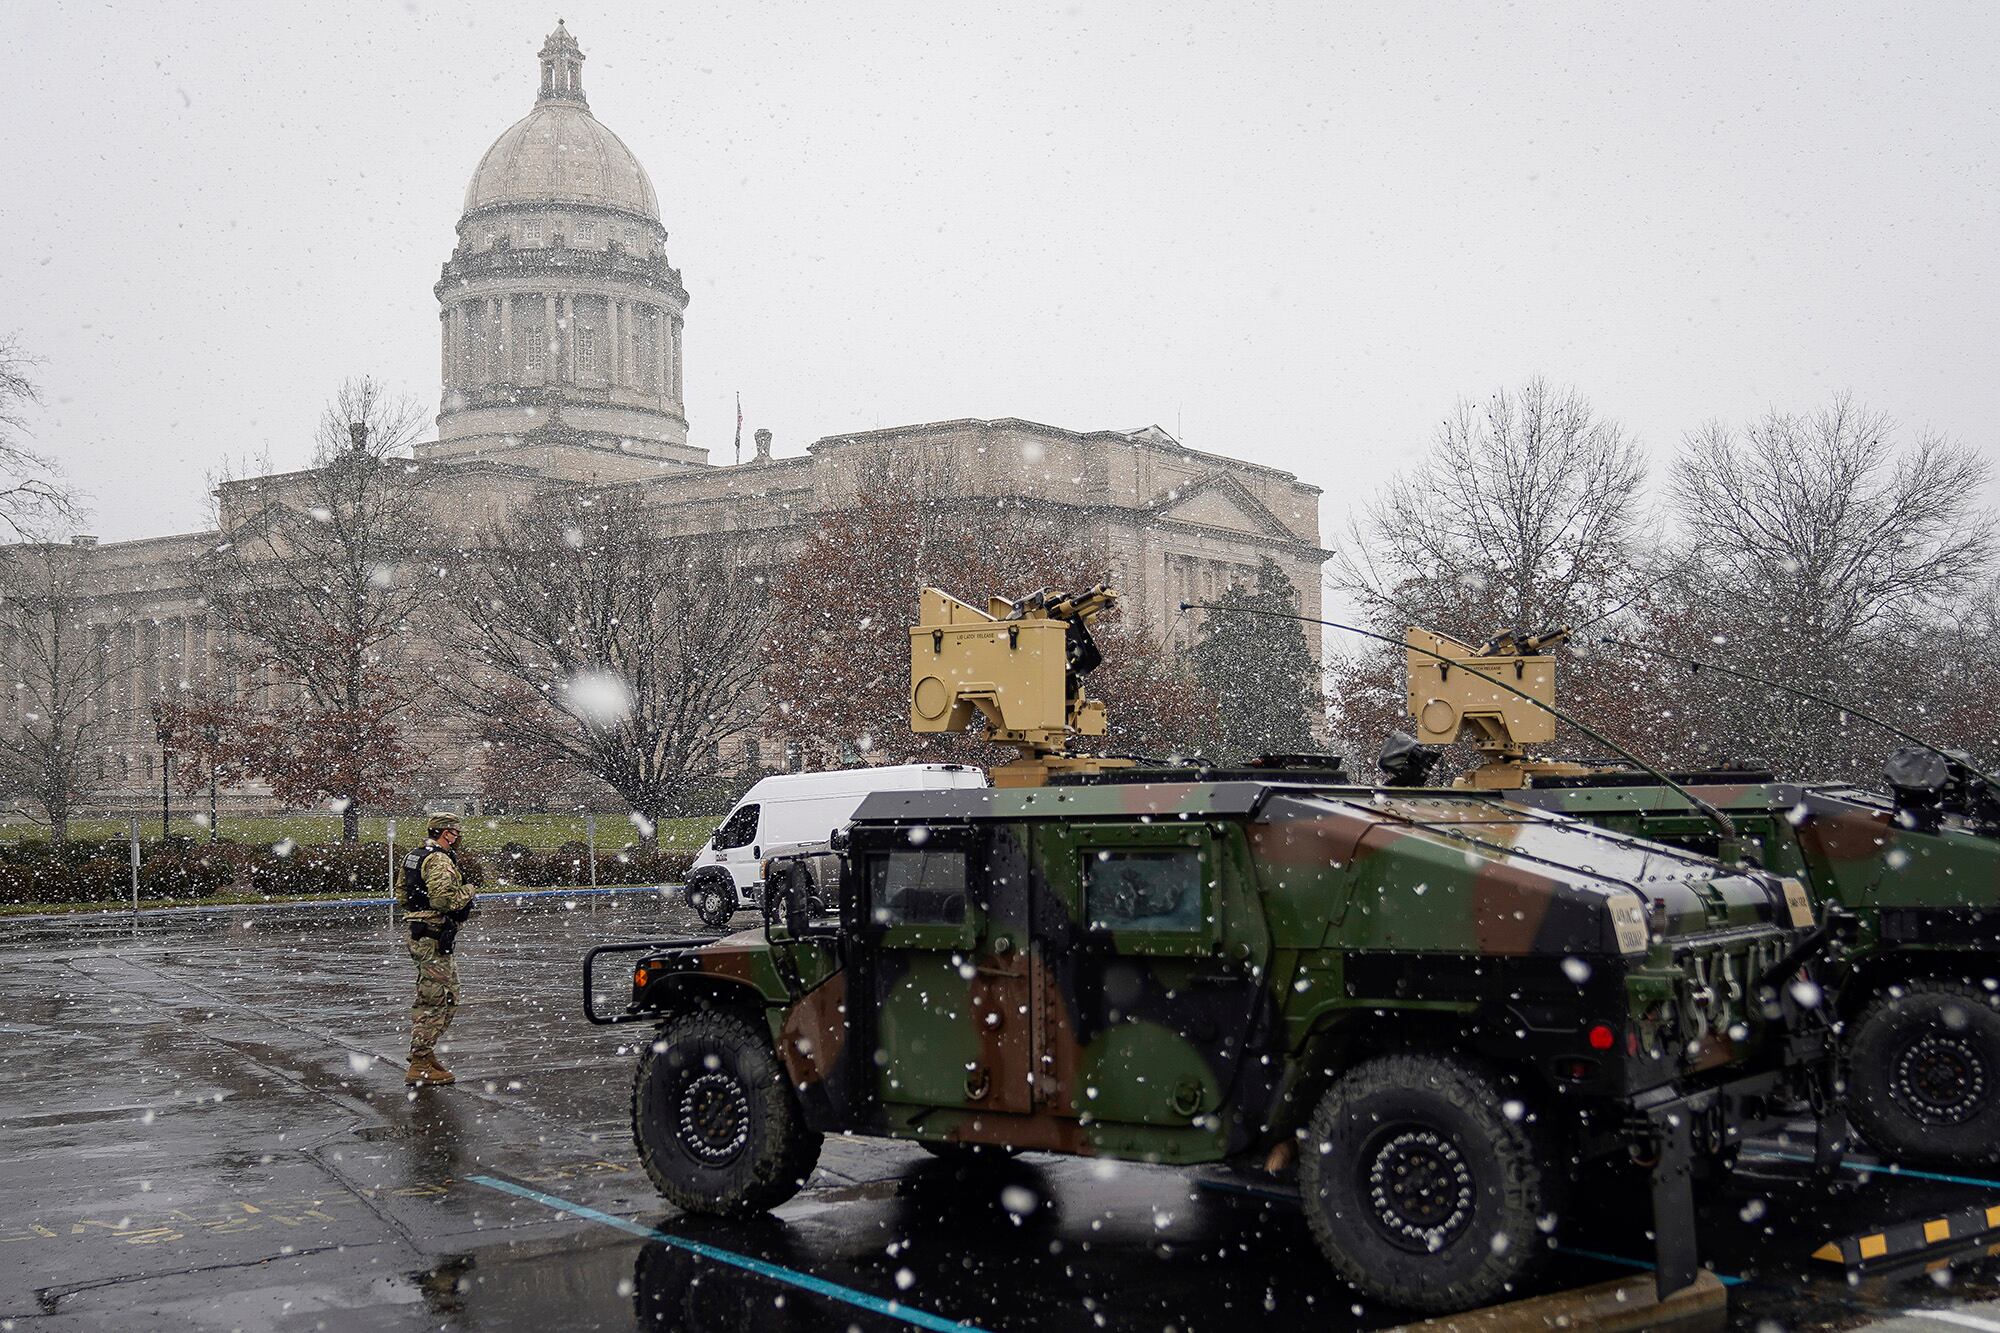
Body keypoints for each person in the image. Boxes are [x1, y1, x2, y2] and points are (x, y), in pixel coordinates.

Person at [402, 813, 476, 1086]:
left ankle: (425, 1054)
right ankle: (420, 1061)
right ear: (447, 834)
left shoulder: (415, 856)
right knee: (438, 999)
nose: (458, 838)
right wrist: (468, 890)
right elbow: (444, 899)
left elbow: (403, 894)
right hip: (432, 936)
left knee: (440, 994)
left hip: (423, 934)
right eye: (456, 833)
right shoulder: (439, 860)